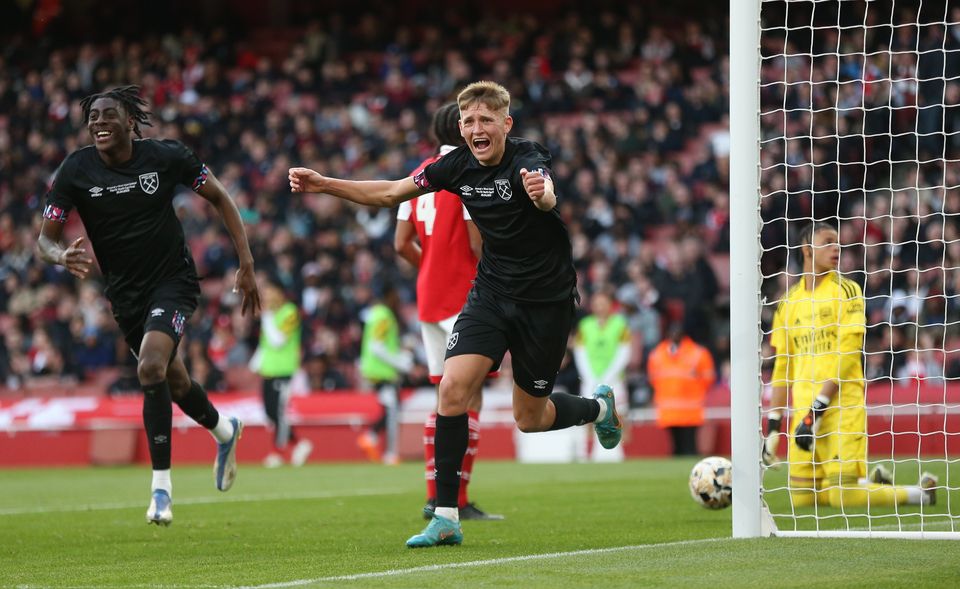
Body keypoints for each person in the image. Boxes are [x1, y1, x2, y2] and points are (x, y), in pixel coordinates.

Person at [290, 80, 622, 548]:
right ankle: (446, 515)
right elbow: (390, 193)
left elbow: (546, 195)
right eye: (469, 121)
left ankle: (599, 408)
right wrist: (325, 184)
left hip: (544, 303)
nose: (477, 128)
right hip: (489, 293)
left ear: (506, 124)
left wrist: (542, 194)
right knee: (452, 389)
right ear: (461, 128)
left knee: (530, 417)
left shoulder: (527, 159)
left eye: (487, 120)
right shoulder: (453, 166)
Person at [37, 86, 261, 526]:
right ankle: (224, 429)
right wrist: (60, 255)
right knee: (173, 381)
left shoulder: (166, 157)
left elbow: (220, 197)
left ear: (129, 123)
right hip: (125, 295)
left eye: (107, 115)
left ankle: (161, 489)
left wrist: (246, 262)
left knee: (151, 368)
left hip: (172, 281)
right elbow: (45, 238)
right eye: (92, 117)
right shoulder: (76, 170)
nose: (98, 122)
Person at [764, 221, 937, 508]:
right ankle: (875, 485)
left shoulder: (848, 291)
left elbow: (849, 355)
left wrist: (817, 408)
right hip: (803, 413)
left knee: (843, 497)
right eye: (828, 242)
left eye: (838, 242)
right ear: (807, 249)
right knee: (803, 500)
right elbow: (783, 367)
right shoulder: (787, 303)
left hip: (841, 407)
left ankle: (920, 493)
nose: (836, 248)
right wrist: (772, 426)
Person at [394, 102, 502, 520]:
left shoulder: (417, 172)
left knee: (444, 396)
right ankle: (456, 500)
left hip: (428, 297)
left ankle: (433, 495)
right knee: (468, 397)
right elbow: (478, 244)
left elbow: (401, 243)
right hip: (465, 295)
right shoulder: (466, 170)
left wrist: (432, 269)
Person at [252, 275, 312, 468]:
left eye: (268, 292)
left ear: (279, 293)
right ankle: (300, 444)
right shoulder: (270, 316)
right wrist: (254, 364)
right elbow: (266, 344)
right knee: (271, 413)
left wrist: (267, 317)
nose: (265, 297)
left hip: (283, 371)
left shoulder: (289, 313)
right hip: (268, 370)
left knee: (279, 413)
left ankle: (278, 453)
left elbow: (278, 341)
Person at [573, 288, 632, 462]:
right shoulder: (585, 325)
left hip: (614, 379)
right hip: (590, 379)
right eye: (596, 304)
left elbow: (624, 352)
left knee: (617, 414)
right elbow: (580, 352)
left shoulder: (620, 324)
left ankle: (617, 451)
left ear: (610, 305)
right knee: (588, 414)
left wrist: (608, 375)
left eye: (603, 303)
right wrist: (590, 376)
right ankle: (588, 452)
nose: (600, 307)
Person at [357, 283, 412, 465]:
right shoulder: (384, 316)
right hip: (383, 372)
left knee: (390, 410)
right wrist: (401, 362)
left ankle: (371, 437)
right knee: (392, 411)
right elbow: (377, 346)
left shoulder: (374, 314)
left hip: (376, 370)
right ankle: (389, 452)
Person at [647, 321, 715, 456]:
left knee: (689, 446)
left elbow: (708, 378)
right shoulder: (657, 354)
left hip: (690, 409)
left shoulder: (698, 353)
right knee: (676, 446)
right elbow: (653, 378)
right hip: (670, 409)